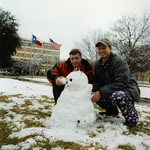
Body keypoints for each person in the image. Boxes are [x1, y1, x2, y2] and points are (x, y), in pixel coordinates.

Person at [91, 38, 140, 127]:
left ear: (110, 48)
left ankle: (132, 118)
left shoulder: (118, 62)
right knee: (96, 95)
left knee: (118, 96)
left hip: (127, 89)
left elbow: (121, 83)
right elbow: (96, 81)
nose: (101, 51)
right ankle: (112, 110)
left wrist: (101, 92)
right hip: (112, 89)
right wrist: (93, 90)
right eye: (99, 48)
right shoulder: (98, 64)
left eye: (104, 48)